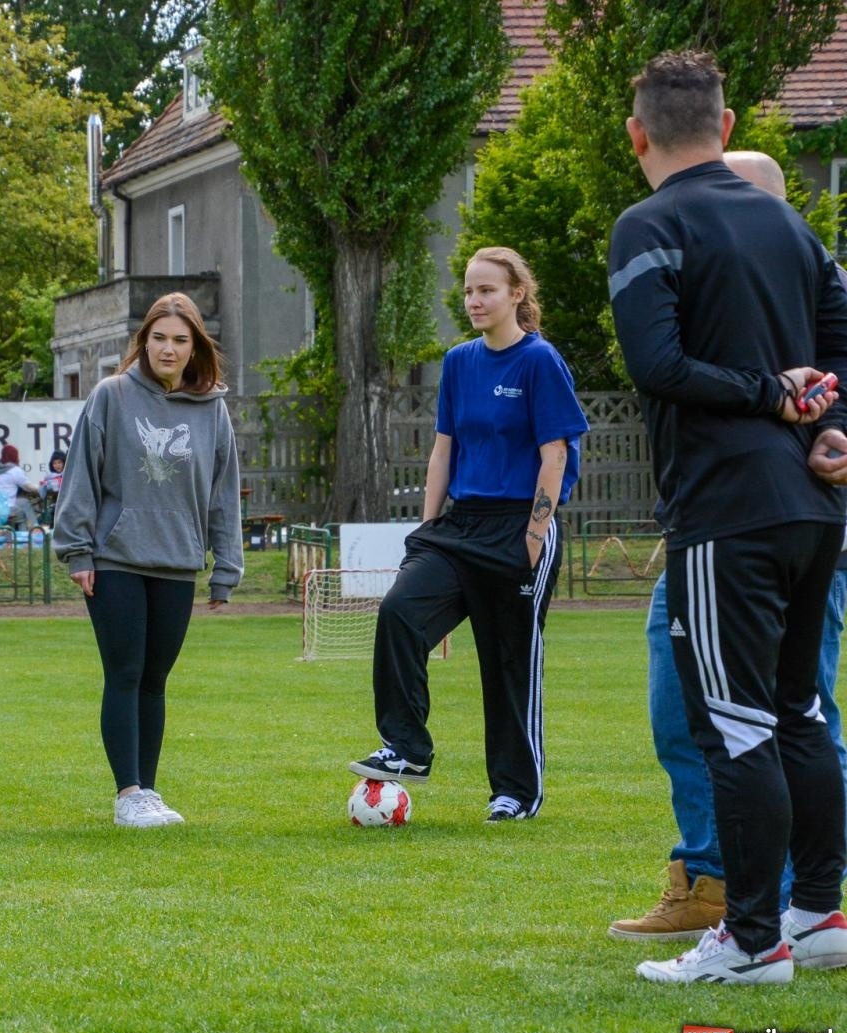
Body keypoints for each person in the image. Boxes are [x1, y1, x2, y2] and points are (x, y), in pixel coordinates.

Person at [608, 52, 847, 984]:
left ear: (638, 136)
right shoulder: (788, 223)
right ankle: (819, 914)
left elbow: (657, 368)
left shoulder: (649, 224)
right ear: (730, 124)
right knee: (803, 714)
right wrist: (832, 425)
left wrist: (776, 398)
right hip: (814, 508)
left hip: (725, 511)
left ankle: (752, 943)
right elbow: (841, 334)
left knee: (738, 725)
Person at [348, 247, 589, 824]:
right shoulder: (459, 362)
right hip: (459, 525)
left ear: (516, 296)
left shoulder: (540, 361)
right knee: (401, 611)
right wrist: (428, 527)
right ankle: (406, 748)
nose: (474, 301)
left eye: (486, 290)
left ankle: (514, 791)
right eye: (467, 291)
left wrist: (534, 534)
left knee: (509, 663)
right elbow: (442, 450)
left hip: (518, 527)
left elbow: (554, 453)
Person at [53, 292, 243, 828]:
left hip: (177, 563)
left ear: (194, 348)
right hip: (115, 560)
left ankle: (150, 792)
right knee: (125, 672)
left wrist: (225, 568)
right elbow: (81, 478)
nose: (168, 348)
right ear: (144, 342)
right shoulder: (111, 396)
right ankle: (127, 793)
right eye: (159, 338)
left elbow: (223, 493)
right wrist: (77, 550)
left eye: (180, 340)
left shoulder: (213, 411)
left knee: (155, 680)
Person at [0, 443, 40, 528]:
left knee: (23, 503)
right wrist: (41, 487)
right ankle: (34, 531)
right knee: (24, 510)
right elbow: (29, 488)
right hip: (6, 509)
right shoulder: (15, 471)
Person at [39, 449, 66, 526]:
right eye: (54, 463)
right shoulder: (49, 477)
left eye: (59, 462)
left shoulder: (69, 474)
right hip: (56, 506)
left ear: (64, 462)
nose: (57, 465)